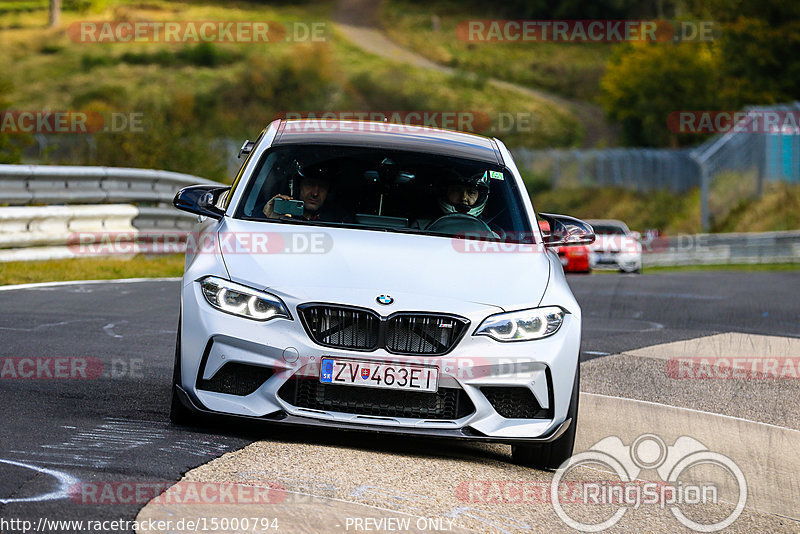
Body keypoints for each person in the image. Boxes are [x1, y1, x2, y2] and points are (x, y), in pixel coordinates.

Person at [263, 164, 333, 221]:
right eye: (309, 184)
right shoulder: (283, 214)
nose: (315, 194)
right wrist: (267, 218)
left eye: (322, 187)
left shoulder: (338, 221)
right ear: (298, 187)